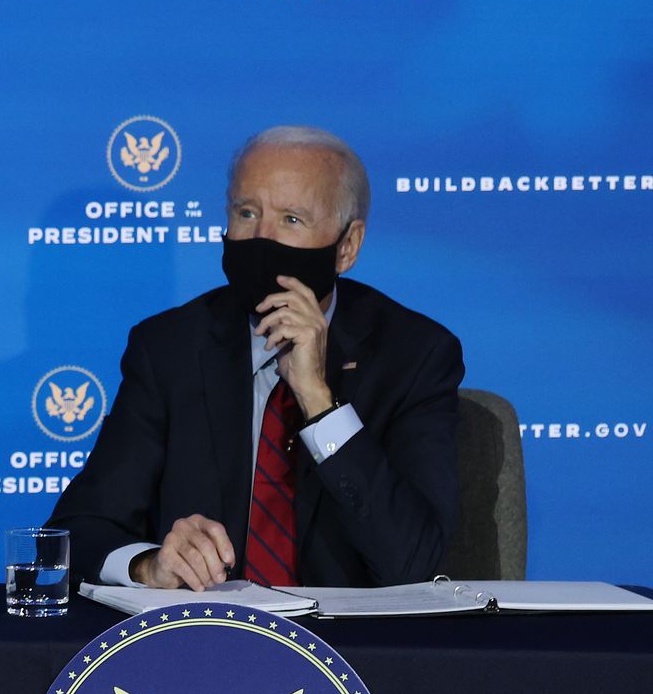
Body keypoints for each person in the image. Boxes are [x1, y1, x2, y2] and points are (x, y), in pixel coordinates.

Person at [47, 126, 462, 591]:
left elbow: (415, 565)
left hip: (354, 653)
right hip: (203, 642)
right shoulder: (169, 349)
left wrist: (318, 401)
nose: (261, 239)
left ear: (346, 246)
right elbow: (80, 529)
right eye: (246, 213)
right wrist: (149, 564)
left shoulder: (415, 355)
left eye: (291, 220)